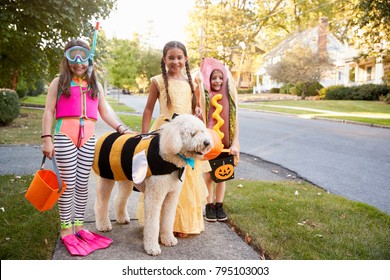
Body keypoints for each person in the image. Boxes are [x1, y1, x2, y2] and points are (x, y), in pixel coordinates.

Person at [41, 38, 134, 256]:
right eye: (73, 56)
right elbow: (48, 111)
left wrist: (122, 128)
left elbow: (105, 112)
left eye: (83, 56)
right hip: (65, 135)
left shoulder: (95, 84)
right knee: (68, 184)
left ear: (89, 57)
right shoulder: (59, 82)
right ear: (66, 58)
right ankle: (66, 228)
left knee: (83, 184)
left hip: (88, 138)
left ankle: (80, 226)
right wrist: (47, 138)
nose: (78, 62)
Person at [136, 41, 210, 238]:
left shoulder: (192, 82)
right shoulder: (157, 81)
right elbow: (148, 109)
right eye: (171, 57)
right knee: (161, 180)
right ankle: (157, 225)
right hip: (165, 133)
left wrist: (198, 111)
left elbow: (195, 107)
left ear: (186, 58)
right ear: (164, 59)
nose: (175, 61)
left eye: (179, 57)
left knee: (184, 182)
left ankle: (180, 224)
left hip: (187, 135)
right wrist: (143, 135)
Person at [195, 58, 240, 222]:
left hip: (226, 143)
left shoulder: (229, 97)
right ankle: (209, 205)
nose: (217, 81)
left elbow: (235, 122)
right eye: (214, 77)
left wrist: (235, 142)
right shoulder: (204, 96)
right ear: (209, 79)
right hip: (210, 143)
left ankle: (219, 205)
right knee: (208, 175)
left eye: (221, 78)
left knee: (223, 175)